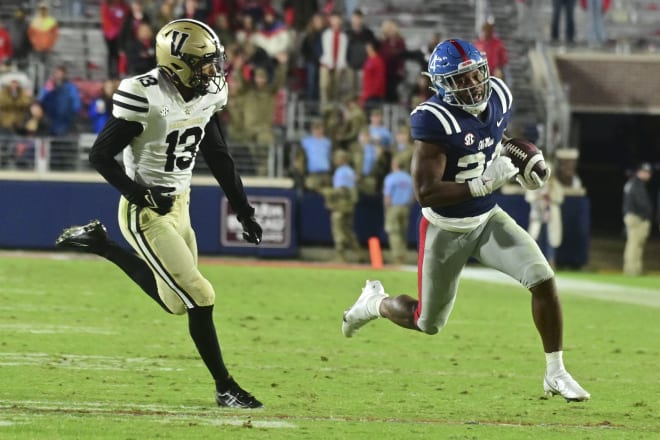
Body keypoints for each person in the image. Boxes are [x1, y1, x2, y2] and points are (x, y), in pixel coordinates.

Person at [340, 38, 590, 402]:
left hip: (488, 220)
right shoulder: (433, 120)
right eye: (460, 79)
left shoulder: (499, 96)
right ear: (441, 85)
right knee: (427, 322)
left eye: (475, 74)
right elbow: (425, 191)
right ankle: (373, 302)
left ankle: (556, 372)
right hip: (447, 229)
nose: (472, 84)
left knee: (543, 279)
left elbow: (493, 141)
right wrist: (483, 183)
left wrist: (522, 167)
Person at [54, 19, 264, 409]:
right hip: (144, 213)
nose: (212, 72)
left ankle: (102, 246)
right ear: (178, 62)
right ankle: (225, 387)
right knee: (201, 295)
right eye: (204, 64)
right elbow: (100, 154)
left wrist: (243, 208)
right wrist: (140, 194)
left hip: (180, 206)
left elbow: (217, 154)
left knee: (176, 303)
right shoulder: (144, 93)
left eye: (214, 63)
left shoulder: (208, 96)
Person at [622, 162, 653, 276]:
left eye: (648, 172)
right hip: (636, 217)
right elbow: (641, 203)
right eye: (645, 172)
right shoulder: (636, 184)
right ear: (639, 172)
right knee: (634, 244)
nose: (648, 174)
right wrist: (648, 213)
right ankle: (632, 269)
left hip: (633, 216)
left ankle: (634, 269)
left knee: (635, 244)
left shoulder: (632, 183)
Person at [382, 156, 414, 264]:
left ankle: (397, 257)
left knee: (393, 232)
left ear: (394, 165)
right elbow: (413, 195)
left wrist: (387, 209)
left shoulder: (391, 178)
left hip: (394, 207)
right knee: (402, 232)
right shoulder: (409, 178)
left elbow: (388, 196)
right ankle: (404, 256)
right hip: (405, 207)